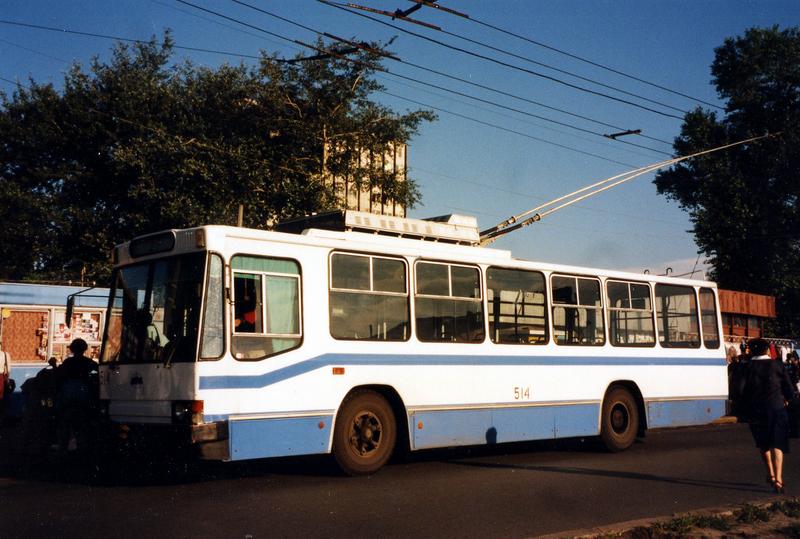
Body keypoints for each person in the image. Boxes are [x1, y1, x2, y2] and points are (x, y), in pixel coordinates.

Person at [743, 338, 798, 494]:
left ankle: (771, 474)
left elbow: (740, 390)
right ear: (767, 350)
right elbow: (788, 388)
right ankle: (779, 479)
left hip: (755, 410)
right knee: (777, 443)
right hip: (776, 408)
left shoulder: (746, 366)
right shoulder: (777, 365)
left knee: (763, 443)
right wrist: (788, 400)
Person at [55, 338, 98, 452]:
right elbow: (98, 370)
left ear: (72, 349)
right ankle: (81, 445)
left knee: (66, 419)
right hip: (83, 392)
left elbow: (59, 374)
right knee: (83, 419)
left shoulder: (68, 362)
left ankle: (66, 443)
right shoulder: (88, 362)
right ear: (84, 349)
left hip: (68, 392)